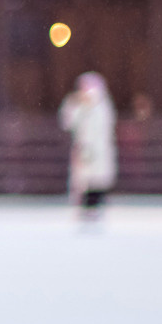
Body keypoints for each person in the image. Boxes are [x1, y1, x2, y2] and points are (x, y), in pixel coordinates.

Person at [60, 71, 116, 218]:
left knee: (97, 179)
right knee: (82, 180)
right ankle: (85, 207)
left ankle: (96, 206)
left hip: (97, 149)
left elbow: (102, 128)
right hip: (83, 148)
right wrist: (74, 103)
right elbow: (67, 122)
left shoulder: (103, 107)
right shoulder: (78, 105)